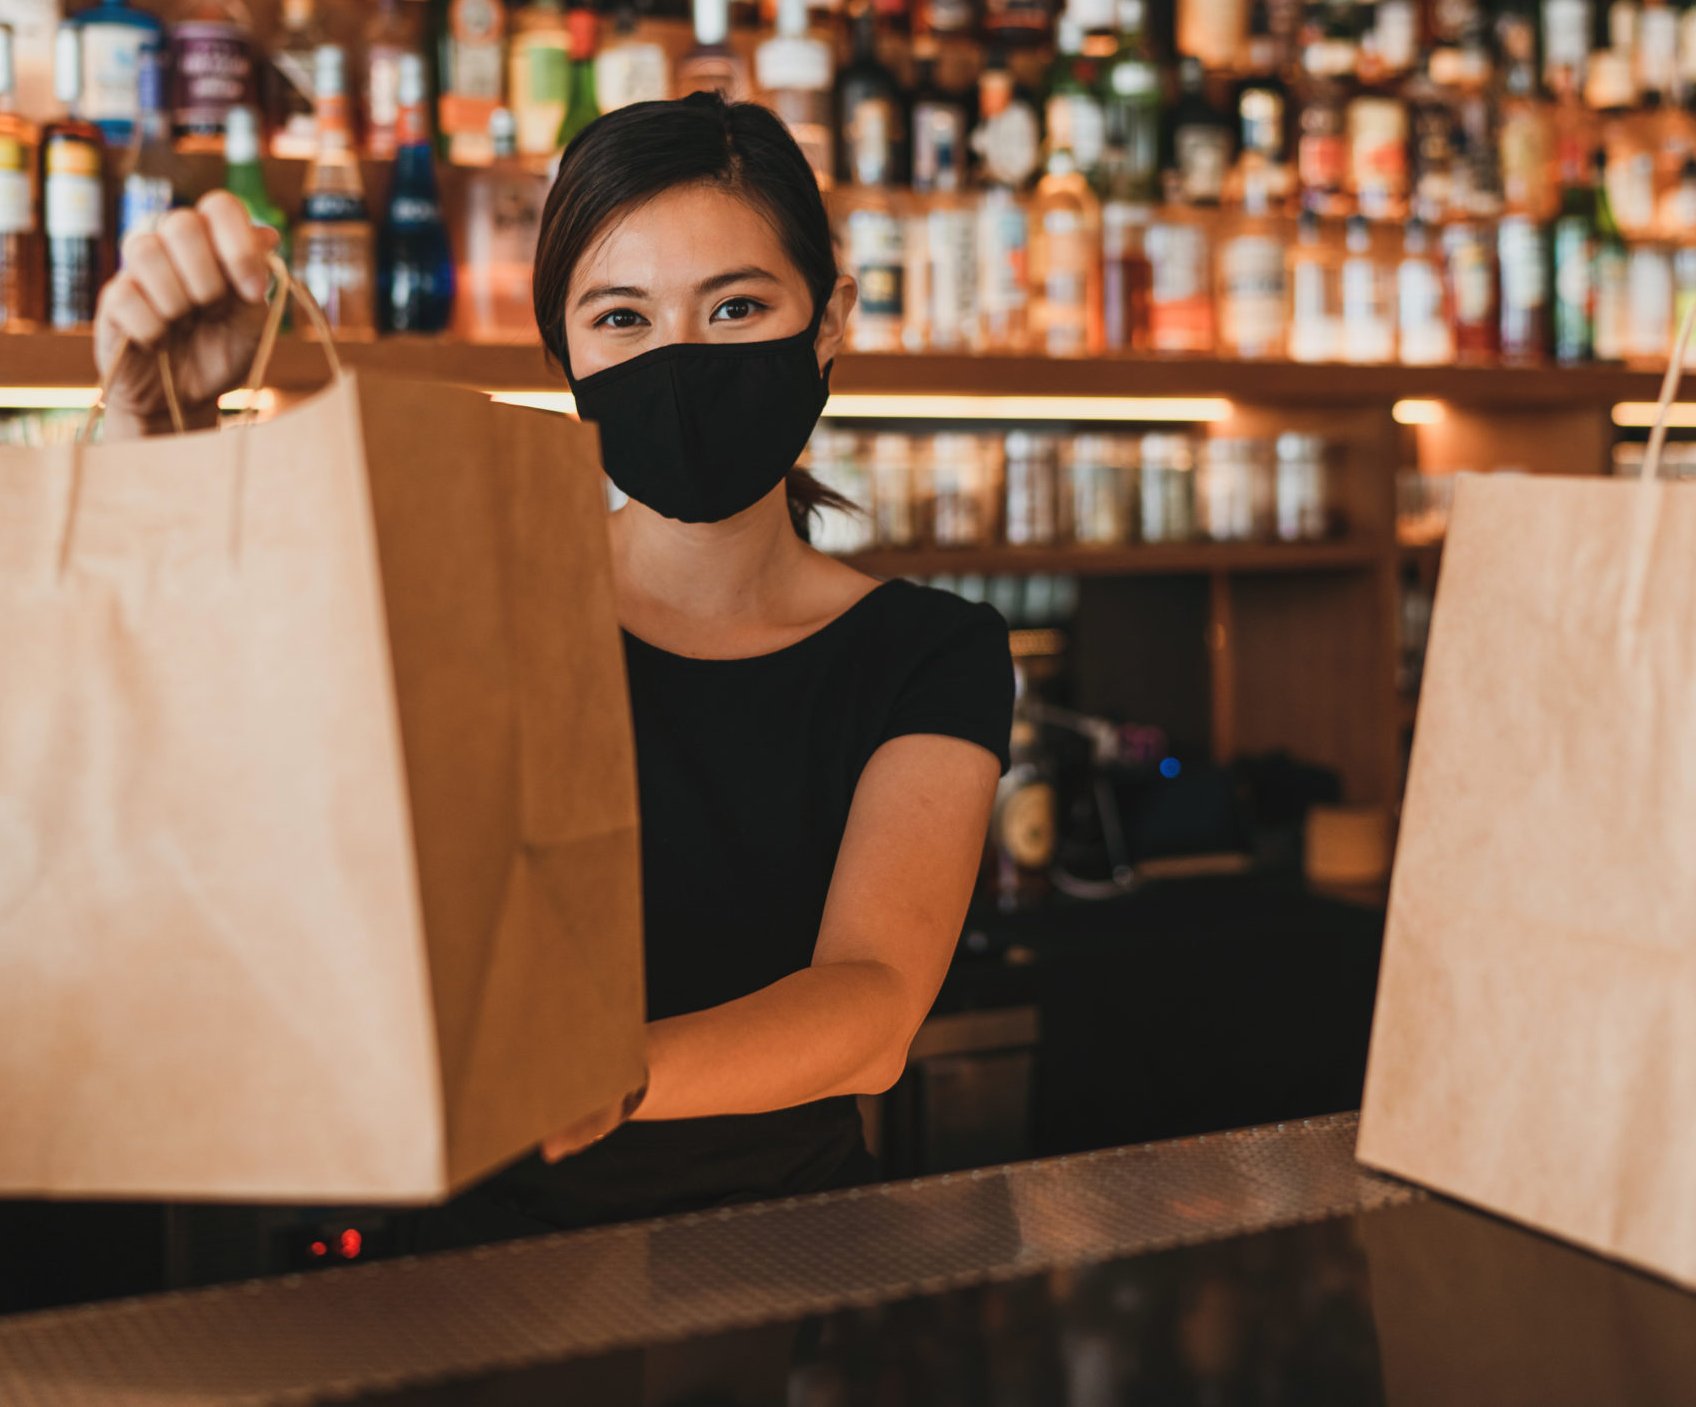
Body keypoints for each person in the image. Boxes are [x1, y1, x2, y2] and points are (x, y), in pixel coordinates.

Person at [92, 92, 1013, 1236]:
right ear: (564, 355)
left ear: (829, 321)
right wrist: (154, 440)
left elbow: (872, 1010)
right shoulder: (463, 589)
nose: (677, 356)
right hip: (462, 1271)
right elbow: (174, 764)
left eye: (733, 305)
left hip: (778, 1264)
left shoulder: (929, 651)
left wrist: (604, 1078)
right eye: (621, 317)